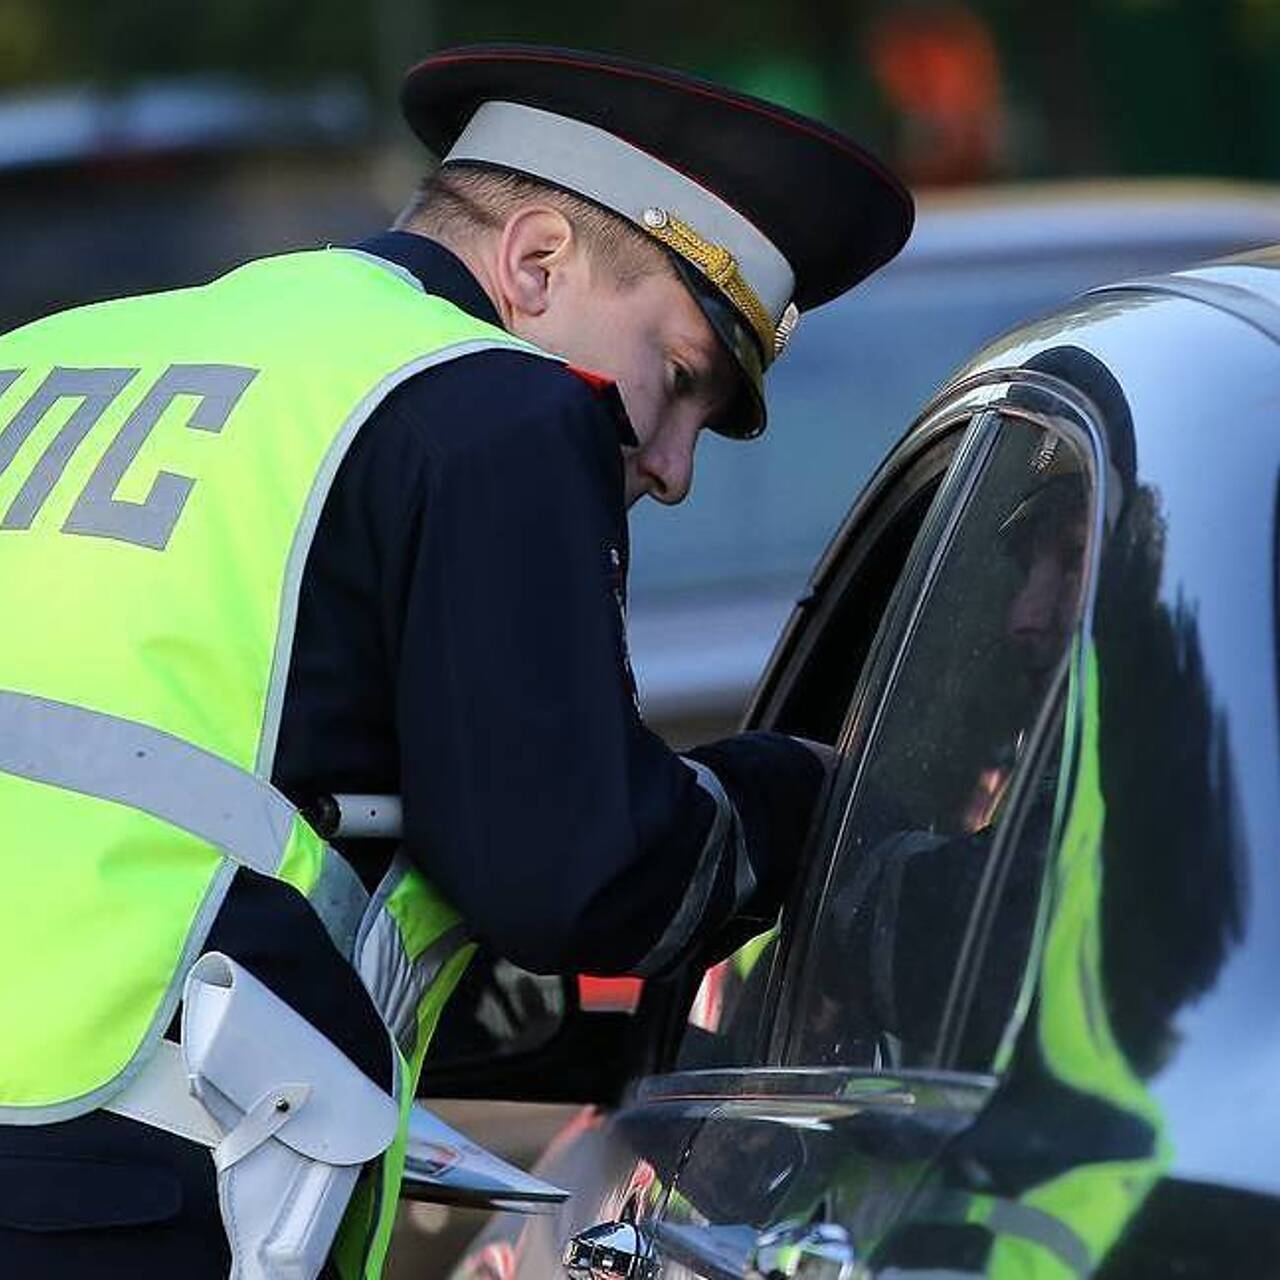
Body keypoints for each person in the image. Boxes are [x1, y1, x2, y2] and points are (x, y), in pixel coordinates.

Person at [0, 44, 912, 1280]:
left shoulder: (49, 357)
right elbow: (572, 870)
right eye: (680, 379)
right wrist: (806, 794)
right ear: (535, 262)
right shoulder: (496, 405)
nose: (672, 464)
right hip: (118, 1199)